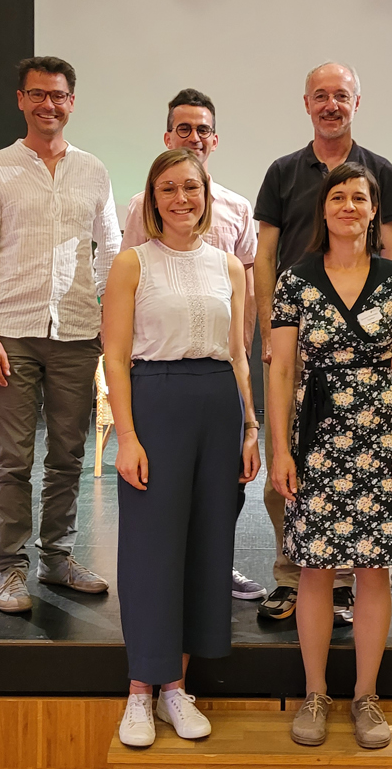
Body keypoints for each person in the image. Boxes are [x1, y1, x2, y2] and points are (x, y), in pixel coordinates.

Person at [103, 149, 262, 746]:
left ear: (206, 193)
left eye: (190, 187)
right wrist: (127, 436)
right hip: (156, 402)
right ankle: (139, 691)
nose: (180, 198)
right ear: (151, 198)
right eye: (167, 188)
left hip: (218, 406)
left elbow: (239, 354)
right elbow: (115, 357)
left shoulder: (230, 266)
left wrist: (251, 428)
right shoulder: (131, 264)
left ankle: (176, 688)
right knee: (151, 549)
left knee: (206, 547)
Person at [267, 163, 392, 749]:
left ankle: (366, 696)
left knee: (374, 568)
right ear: (323, 208)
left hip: (379, 435)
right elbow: (282, 368)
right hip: (316, 436)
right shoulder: (295, 280)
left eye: (360, 197)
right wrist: (281, 449)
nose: (349, 206)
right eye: (338, 197)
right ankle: (315, 693)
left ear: (374, 210)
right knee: (314, 568)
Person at [0, 56, 121, 613]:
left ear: (71, 102)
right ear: (21, 100)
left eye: (58, 95)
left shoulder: (93, 170)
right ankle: (10, 568)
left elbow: (111, 248)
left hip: (76, 332)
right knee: (13, 460)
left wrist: (105, 311)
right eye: (37, 94)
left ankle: (57, 558)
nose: (48, 104)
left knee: (68, 455)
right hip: (12, 333)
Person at [253, 62, 392, 625]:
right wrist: (269, 330)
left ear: (356, 103)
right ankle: (292, 575)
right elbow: (265, 255)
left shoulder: (380, 171)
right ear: (307, 103)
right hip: (296, 336)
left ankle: (342, 582)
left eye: (341, 95)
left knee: (361, 469)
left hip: (362, 347)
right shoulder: (282, 172)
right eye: (321, 95)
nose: (331, 105)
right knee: (288, 467)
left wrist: (388, 327)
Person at [122, 89, 264, 602]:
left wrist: (248, 413)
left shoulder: (237, 208)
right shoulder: (141, 212)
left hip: (219, 371)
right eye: (184, 129)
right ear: (168, 136)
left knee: (219, 501)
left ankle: (216, 571)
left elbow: (246, 290)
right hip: (161, 371)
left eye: (202, 129)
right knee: (160, 507)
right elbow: (132, 288)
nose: (194, 137)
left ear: (214, 139)